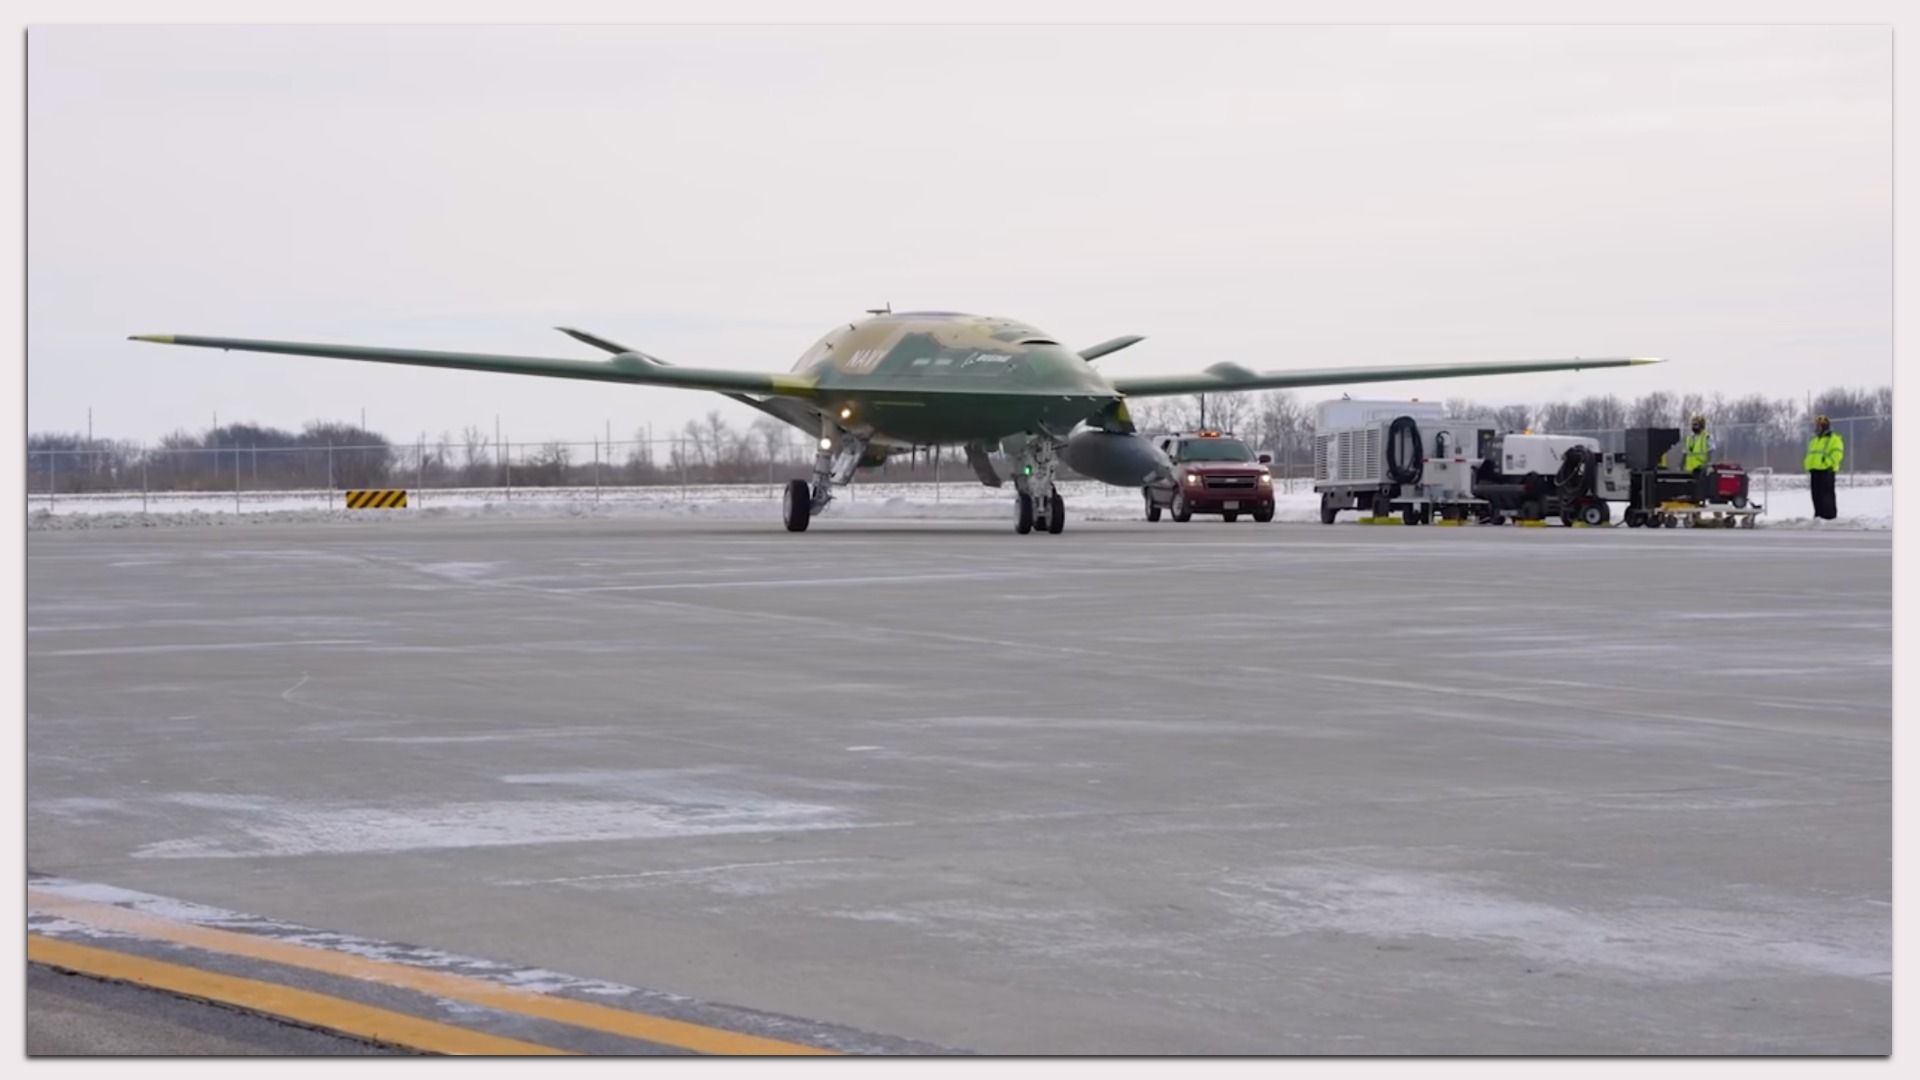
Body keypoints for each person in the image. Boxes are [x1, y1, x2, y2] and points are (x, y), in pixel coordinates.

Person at [1805, 415, 1845, 521]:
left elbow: (1837, 455)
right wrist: (1808, 464)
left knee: (1826, 496)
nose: (1817, 428)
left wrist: (1827, 463)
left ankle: (1829, 517)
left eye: (1819, 425)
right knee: (1816, 495)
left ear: (1825, 426)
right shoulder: (1814, 440)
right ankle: (1818, 516)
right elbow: (1811, 454)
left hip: (1826, 471)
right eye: (1816, 425)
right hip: (1814, 471)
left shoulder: (1834, 439)